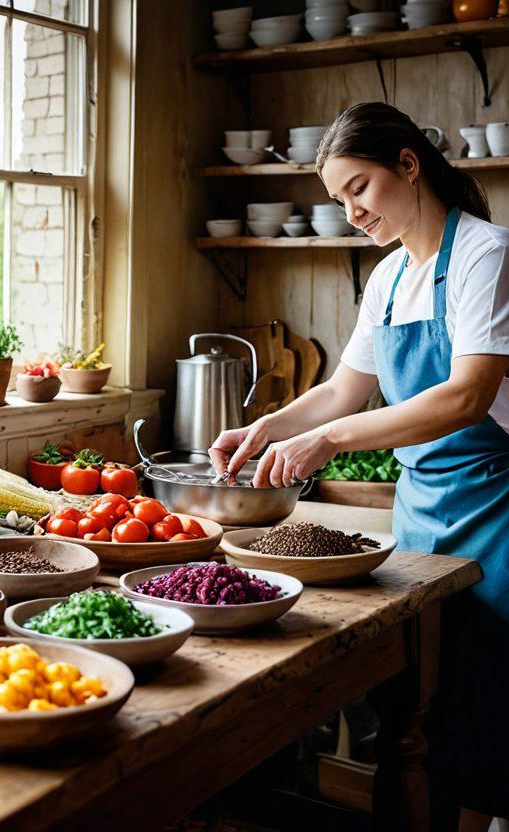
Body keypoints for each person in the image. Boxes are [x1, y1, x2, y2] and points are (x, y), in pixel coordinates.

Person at [208, 102, 509, 831]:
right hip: (421, 512)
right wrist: (268, 427)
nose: (351, 212)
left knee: (488, 709)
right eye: (340, 200)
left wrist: (331, 441)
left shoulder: (487, 254)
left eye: (360, 189)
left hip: (498, 512)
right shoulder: (390, 278)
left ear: (409, 165)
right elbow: (346, 388)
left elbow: (468, 394)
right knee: (423, 711)